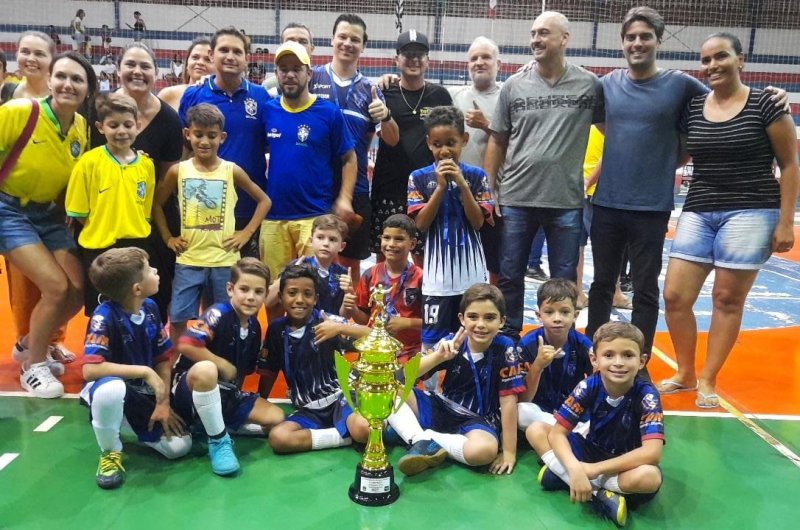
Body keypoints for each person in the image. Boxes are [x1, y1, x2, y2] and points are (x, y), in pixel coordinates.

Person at [659, 32, 799, 408]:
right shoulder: (693, 107)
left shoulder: (766, 103)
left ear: (740, 59)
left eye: (720, 56)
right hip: (699, 209)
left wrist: (786, 223)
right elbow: (678, 150)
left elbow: (789, 165)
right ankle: (685, 373)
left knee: (727, 298)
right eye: (706, 60)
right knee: (674, 296)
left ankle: (707, 378)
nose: (712, 65)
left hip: (752, 211)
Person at [485, 11, 602, 340]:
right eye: (533, 33)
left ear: (564, 38)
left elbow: (613, 132)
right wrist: (489, 189)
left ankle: (561, 341)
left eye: (544, 33)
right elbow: (497, 139)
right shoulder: (514, 85)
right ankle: (509, 338)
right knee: (510, 275)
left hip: (566, 201)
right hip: (516, 198)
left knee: (564, 281)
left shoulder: (589, 85)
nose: (535, 39)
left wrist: (600, 176)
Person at [1, 51, 96, 398]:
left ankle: (30, 344)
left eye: (77, 79)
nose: (68, 84)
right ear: (51, 79)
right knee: (56, 287)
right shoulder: (20, 112)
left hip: (51, 215)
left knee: (79, 289)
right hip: (9, 210)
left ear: (88, 89)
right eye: (62, 76)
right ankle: (33, 366)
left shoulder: (81, 128)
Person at [152, 103, 271, 344]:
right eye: (198, 135)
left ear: (222, 137)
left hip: (224, 259)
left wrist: (246, 233)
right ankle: (181, 359)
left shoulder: (231, 170)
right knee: (178, 316)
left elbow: (264, 201)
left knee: (224, 316)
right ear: (187, 134)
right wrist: (167, 238)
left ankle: (217, 356)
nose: (205, 141)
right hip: (189, 258)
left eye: (212, 136)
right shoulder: (178, 171)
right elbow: (156, 204)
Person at [527, 322, 664, 528]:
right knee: (536, 430)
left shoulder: (647, 396)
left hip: (626, 463)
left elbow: (652, 453)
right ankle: (598, 495)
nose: (618, 363)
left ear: (642, 361)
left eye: (628, 355)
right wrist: (575, 468)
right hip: (590, 450)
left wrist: (593, 470)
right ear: (594, 359)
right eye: (608, 355)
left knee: (650, 477)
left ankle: (562, 476)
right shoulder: (588, 386)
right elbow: (557, 434)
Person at [80, 248, 191, 490]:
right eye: (150, 269)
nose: (156, 271)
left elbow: (163, 358)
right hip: (111, 387)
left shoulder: (150, 308)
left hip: (142, 394)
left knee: (179, 448)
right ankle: (110, 451)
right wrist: (145, 372)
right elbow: (89, 370)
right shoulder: (103, 317)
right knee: (111, 390)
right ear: (137, 289)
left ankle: (119, 420)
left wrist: (163, 402)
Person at [387, 283, 524, 476]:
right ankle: (419, 440)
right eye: (473, 317)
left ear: (502, 321)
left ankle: (421, 437)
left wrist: (509, 452)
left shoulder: (506, 348)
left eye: (489, 318)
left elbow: (508, 401)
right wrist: (438, 357)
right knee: (388, 388)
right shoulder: (452, 341)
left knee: (484, 451)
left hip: (478, 420)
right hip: (442, 407)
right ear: (462, 319)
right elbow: (403, 376)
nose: (481, 324)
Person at [91, 42, 184, 324]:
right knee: (110, 291)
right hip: (107, 218)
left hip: (150, 219)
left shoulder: (169, 119)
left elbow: (166, 179)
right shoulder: (97, 109)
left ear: (156, 72)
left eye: (145, 66)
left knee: (155, 292)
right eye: (130, 64)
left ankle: (152, 339)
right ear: (118, 69)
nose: (137, 71)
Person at [172, 258, 285, 475]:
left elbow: (244, 372)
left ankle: (210, 424)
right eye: (244, 289)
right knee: (207, 370)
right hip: (189, 390)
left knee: (276, 417)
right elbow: (186, 344)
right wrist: (221, 364)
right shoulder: (218, 313)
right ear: (230, 289)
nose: (251, 297)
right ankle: (218, 440)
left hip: (227, 393)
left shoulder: (254, 326)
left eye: (258, 292)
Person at [2, 32, 75, 366]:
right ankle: (32, 355)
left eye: (39, 53)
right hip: (11, 208)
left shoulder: (72, 113)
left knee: (71, 285)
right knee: (37, 285)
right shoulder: (12, 102)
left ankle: (41, 341)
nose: (30, 59)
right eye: (24, 51)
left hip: (51, 213)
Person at [310, 14, 399, 285]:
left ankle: (349, 309)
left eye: (355, 39)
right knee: (311, 258)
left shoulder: (370, 90)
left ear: (363, 46)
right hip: (316, 186)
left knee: (350, 262)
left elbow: (391, 140)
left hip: (357, 189)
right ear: (332, 40)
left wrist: (386, 116)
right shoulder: (311, 78)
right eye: (343, 37)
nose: (348, 43)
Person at [407, 106, 492, 388]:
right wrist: (441, 187)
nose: (444, 150)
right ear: (429, 143)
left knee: (473, 336)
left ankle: (466, 391)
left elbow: (478, 222)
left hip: (472, 275)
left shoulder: (477, 176)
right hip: (437, 278)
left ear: (464, 140)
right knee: (432, 341)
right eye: (437, 144)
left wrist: (462, 186)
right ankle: (430, 395)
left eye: (451, 143)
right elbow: (420, 224)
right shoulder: (419, 177)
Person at [260, 41, 356, 281]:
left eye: (297, 69)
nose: (290, 74)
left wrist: (345, 197)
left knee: (313, 287)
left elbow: (349, 157)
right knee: (273, 288)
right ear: (276, 74)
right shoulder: (268, 111)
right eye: (283, 69)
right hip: (273, 217)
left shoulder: (328, 113)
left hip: (314, 217)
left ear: (309, 73)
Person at [258, 263, 369, 453]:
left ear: (316, 298)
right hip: (308, 408)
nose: (300, 300)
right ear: (281, 297)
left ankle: (353, 432)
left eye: (307, 294)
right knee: (279, 438)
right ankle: (343, 437)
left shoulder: (327, 322)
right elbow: (269, 371)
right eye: (292, 293)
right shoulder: (276, 330)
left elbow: (375, 335)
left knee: (363, 429)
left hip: (341, 398)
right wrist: (262, 402)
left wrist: (340, 328)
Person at [180, 28, 270, 260]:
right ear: (212, 55)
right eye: (224, 50)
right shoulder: (193, 95)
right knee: (204, 273)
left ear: (246, 58)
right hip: (204, 206)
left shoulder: (261, 97)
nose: (230, 56)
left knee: (247, 275)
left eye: (237, 52)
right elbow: (185, 147)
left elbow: (268, 144)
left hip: (248, 207)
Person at [65, 92, 155, 315]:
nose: (121, 131)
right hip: (100, 248)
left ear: (138, 126)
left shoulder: (146, 165)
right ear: (100, 127)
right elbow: (79, 212)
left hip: (136, 246)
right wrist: (104, 225)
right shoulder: (88, 162)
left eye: (128, 125)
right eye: (113, 125)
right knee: (103, 311)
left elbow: (145, 209)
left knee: (135, 306)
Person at [371, 30, 452, 261]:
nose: (414, 59)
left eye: (419, 54)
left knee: (424, 259)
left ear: (428, 61)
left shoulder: (440, 95)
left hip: (426, 189)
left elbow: (449, 140)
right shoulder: (384, 91)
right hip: (388, 187)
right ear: (396, 59)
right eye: (408, 54)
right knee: (385, 256)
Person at [449, 36, 503, 284]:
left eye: (486, 57)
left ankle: (495, 302)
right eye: (474, 58)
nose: (479, 62)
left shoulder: (508, 96)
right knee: (458, 260)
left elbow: (520, 139)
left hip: (497, 195)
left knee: (496, 261)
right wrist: (389, 79)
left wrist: (486, 124)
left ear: (498, 64)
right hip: (459, 194)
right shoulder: (454, 96)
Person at [517, 279, 592, 430]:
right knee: (519, 410)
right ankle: (568, 433)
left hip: (574, 413)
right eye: (549, 312)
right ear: (539, 315)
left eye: (564, 312)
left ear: (575, 315)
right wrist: (538, 366)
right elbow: (524, 398)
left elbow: (598, 389)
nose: (557, 318)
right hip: (540, 413)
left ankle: (566, 431)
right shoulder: (527, 344)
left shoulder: (584, 345)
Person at [350, 214, 423, 363]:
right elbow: (365, 319)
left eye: (399, 239)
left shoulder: (421, 278)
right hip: (374, 348)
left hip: (408, 351)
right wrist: (352, 309)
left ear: (412, 244)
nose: (391, 244)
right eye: (386, 238)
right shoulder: (369, 275)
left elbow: (433, 324)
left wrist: (406, 323)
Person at [265, 214, 352, 317]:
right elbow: (268, 301)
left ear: (342, 246)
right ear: (311, 241)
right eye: (320, 237)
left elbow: (343, 316)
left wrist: (348, 297)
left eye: (332, 239)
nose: (325, 243)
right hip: (299, 324)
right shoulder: (299, 265)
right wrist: (288, 275)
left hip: (330, 325)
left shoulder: (342, 273)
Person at [263, 23, 316, 95]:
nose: (296, 45)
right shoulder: (269, 87)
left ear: (311, 49)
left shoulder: (324, 82)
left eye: (303, 42)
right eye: (290, 42)